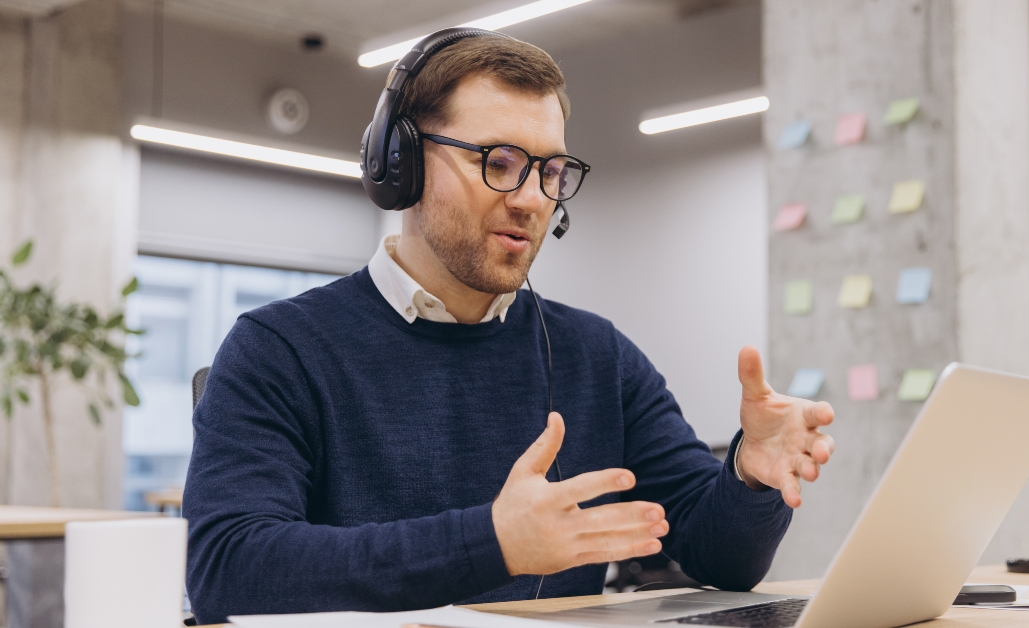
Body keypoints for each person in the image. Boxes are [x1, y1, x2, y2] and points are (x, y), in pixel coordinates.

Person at [183, 33, 835, 624]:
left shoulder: (595, 355)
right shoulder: (279, 349)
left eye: (550, 171)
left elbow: (717, 555)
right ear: (402, 163)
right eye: (498, 161)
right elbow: (227, 569)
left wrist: (749, 478)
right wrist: (491, 541)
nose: (530, 200)